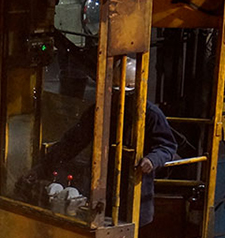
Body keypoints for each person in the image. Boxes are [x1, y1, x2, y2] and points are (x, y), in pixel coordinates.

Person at [30, 61, 178, 226]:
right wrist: (43, 167)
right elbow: (72, 142)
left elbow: (167, 146)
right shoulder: (101, 111)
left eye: (124, 92)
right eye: (114, 90)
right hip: (102, 188)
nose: (118, 97)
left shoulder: (151, 115)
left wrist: (152, 159)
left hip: (133, 191)